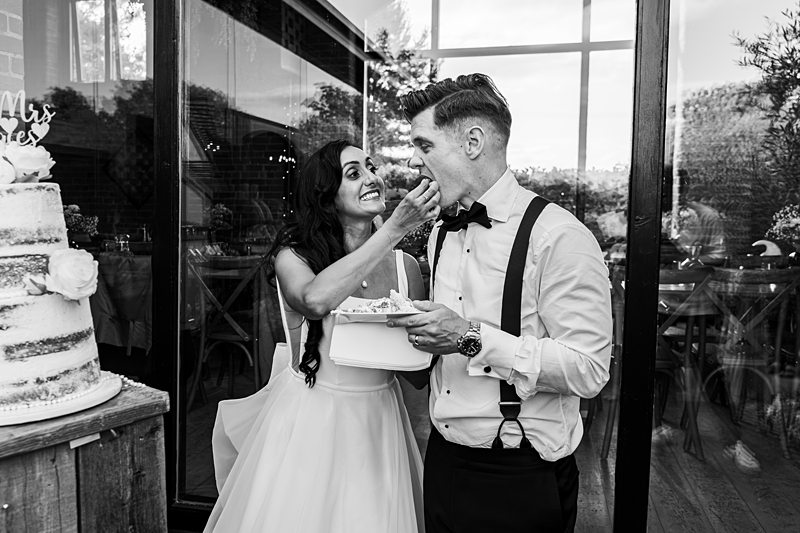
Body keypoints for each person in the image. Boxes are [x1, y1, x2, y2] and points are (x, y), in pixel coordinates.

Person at [388, 74, 613, 533]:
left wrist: (469, 338)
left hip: (518, 475)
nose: (414, 161)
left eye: (424, 146)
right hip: (443, 459)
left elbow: (589, 370)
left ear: (473, 141)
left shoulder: (559, 237)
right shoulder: (440, 232)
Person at [204, 139, 441, 533]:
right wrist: (396, 228)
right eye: (354, 173)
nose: (372, 178)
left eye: (370, 168)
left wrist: (428, 342)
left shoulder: (406, 267)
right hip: (311, 420)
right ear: (327, 196)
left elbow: (415, 374)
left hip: (380, 422)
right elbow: (314, 301)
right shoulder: (294, 255)